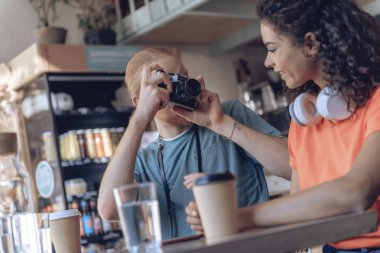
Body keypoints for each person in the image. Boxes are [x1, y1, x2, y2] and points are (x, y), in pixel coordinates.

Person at [183, 0, 380, 251]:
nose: (267, 62)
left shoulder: (377, 102)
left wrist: (239, 217)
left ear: (311, 44)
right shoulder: (306, 121)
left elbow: (355, 193)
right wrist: (215, 209)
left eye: (273, 48)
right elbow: (299, 213)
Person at [97, 48, 290, 239]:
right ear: (141, 101)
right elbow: (109, 210)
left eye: (184, 76)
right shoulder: (143, 162)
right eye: (166, 83)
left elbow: (293, 166)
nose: (182, 87)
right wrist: (139, 118)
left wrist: (222, 124)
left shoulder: (229, 115)